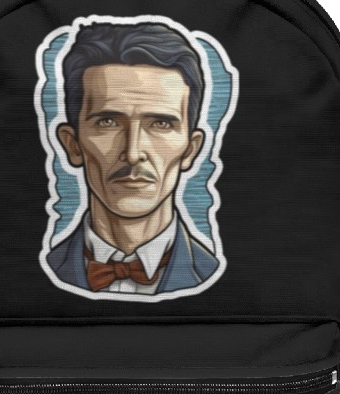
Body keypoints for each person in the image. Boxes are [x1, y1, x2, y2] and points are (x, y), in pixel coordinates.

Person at [45, 21, 220, 296]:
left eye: (161, 124)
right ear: (72, 144)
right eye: (108, 122)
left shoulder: (218, 276)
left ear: (191, 149)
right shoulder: (40, 271)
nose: (133, 153)